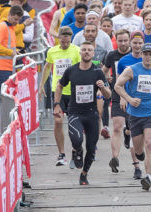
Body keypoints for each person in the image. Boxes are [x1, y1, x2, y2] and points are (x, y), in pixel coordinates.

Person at [112, 42, 151, 190]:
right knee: (138, 150)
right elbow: (117, 85)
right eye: (145, 54)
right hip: (135, 115)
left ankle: (148, 177)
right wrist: (129, 99)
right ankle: (139, 153)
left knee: (149, 143)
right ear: (141, 55)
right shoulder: (132, 70)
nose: (148, 57)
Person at [56, 41, 112, 185]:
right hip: (75, 112)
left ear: (93, 54)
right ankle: (77, 150)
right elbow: (59, 85)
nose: (86, 52)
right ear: (80, 52)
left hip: (91, 114)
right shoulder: (71, 70)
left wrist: (102, 88)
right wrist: (56, 104)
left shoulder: (98, 72)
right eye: (84, 49)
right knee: (77, 139)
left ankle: (84, 174)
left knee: (92, 148)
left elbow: (108, 95)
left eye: (89, 50)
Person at [45, 26, 81, 167]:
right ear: (58, 38)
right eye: (62, 40)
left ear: (70, 38)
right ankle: (61, 154)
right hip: (58, 92)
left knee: (74, 124)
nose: (65, 43)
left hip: (73, 92)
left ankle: (75, 151)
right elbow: (47, 67)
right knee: (58, 121)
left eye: (67, 40)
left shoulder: (77, 50)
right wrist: (41, 86)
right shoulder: (52, 51)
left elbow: (82, 68)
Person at [0, 8, 24, 131]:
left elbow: (7, 46)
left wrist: (16, 52)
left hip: (6, 66)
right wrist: (11, 52)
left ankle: (3, 126)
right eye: (15, 19)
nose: (17, 22)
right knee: (4, 97)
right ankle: (2, 127)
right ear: (10, 15)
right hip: (1, 67)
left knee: (5, 96)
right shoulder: (3, 27)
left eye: (19, 20)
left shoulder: (10, 27)